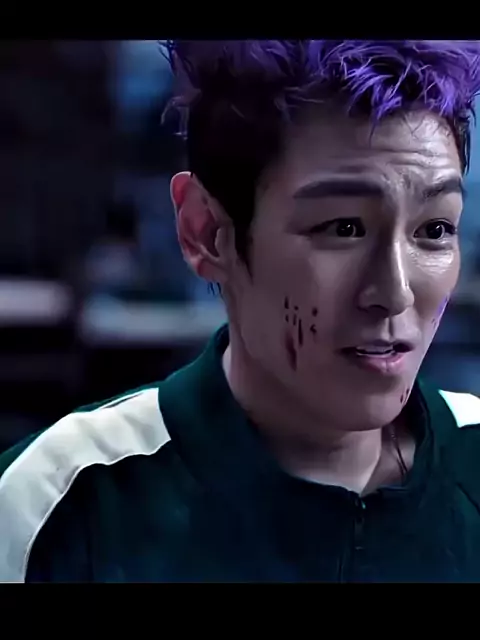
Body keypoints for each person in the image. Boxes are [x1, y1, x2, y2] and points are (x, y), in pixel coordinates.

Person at [2, 41, 480, 583]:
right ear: (206, 232)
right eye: (343, 228)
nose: (395, 292)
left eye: (435, 229)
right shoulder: (53, 507)